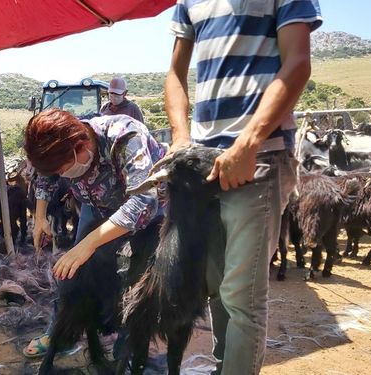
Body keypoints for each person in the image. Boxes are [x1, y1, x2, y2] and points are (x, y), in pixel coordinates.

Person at [165, 1, 322, 374]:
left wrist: (248, 143)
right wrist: (180, 135)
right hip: (204, 162)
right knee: (217, 287)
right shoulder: (188, 2)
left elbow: (298, 63)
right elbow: (174, 73)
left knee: (241, 296)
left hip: (259, 158)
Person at [21, 108, 165, 358]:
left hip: (146, 212)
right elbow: (45, 176)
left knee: (134, 277)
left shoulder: (124, 136)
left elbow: (144, 201)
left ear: (82, 146)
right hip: (97, 205)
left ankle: (127, 350)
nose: (62, 175)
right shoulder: (59, 149)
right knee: (72, 272)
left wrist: (88, 243)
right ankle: (59, 331)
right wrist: (40, 217)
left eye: (63, 169)